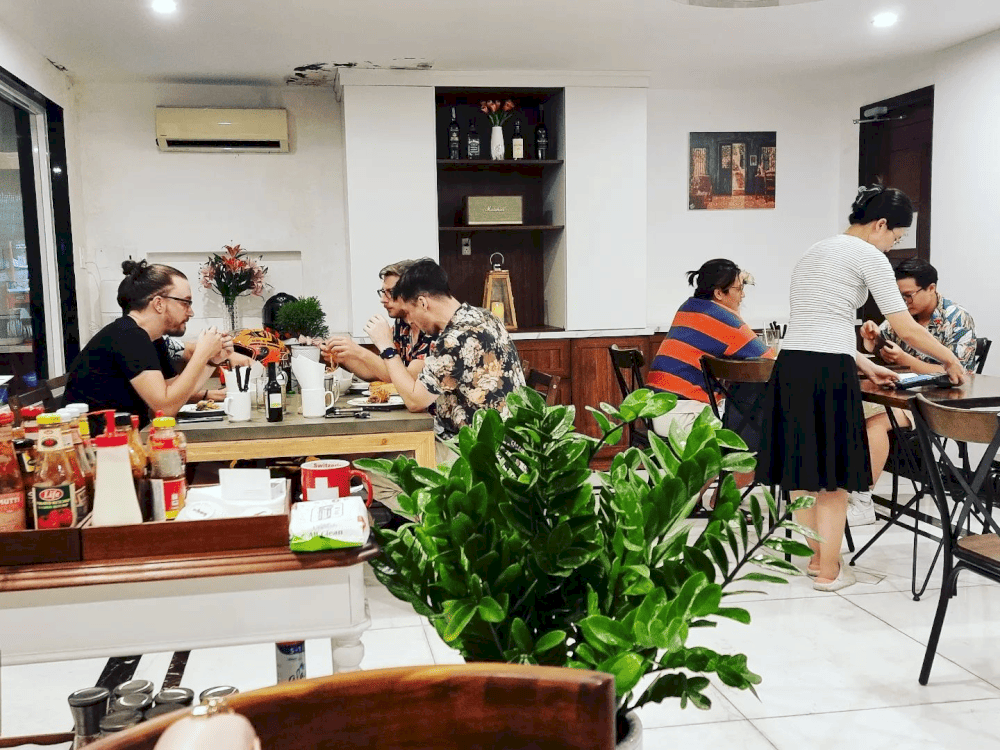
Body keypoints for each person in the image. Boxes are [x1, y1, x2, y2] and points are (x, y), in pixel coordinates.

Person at [756, 185, 966, 592]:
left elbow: (818, 324)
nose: (892, 247)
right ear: (881, 224)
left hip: (792, 364)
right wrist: (950, 361)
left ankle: (818, 561)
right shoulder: (868, 255)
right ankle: (832, 572)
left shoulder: (815, 251)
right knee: (832, 478)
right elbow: (903, 325)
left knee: (802, 472)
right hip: (826, 369)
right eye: (896, 238)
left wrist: (866, 362)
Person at [848, 258, 977, 525]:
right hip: (904, 395)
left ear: (931, 288)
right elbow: (879, 349)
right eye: (900, 296)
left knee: (873, 424)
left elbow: (958, 375)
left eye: (909, 295)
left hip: (939, 401)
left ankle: (863, 502)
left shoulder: (957, 318)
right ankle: (843, 493)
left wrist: (908, 362)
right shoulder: (903, 317)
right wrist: (871, 341)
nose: (904, 302)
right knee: (846, 412)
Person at [362, 258, 525, 461]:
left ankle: (427, 494)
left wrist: (386, 347)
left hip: (481, 454)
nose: (410, 321)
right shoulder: (484, 316)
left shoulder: (454, 339)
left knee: (370, 471)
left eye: (409, 313)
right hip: (512, 447)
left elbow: (415, 401)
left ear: (423, 302)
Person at [647, 259, 773, 510]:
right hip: (681, 413)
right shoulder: (725, 320)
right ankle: (715, 499)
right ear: (719, 293)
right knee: (760, 430)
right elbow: (769, 360)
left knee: (748, 408)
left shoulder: (689, 307)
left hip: (657, 406)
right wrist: (736, 315)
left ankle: (699, 496)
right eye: (738, 289)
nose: (743, 294)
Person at [63, 260, 229, 426]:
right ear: (159, 303)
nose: (191, 312)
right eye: (185, 302)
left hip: (129, 437)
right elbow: (164, 411)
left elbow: (178, 394)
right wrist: (201, 353)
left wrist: (211, 361)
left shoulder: (152, 338)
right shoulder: (129, 336)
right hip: (100, 445)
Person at [320, 260, 436, 383]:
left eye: (390, 293)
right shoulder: (401, 324)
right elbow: (380, 372)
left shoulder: (434, 327)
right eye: (383, 292)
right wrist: (342, 358)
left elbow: (410, 380)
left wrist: (359, 351)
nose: (383, 300)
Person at [164, 336, 253, 403]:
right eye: (185, 309)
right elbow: (168, 398)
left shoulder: (159, 341)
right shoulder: (152, 345)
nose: (190, 313)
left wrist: (228, 355)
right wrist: (209, 395)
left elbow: (188, 350)